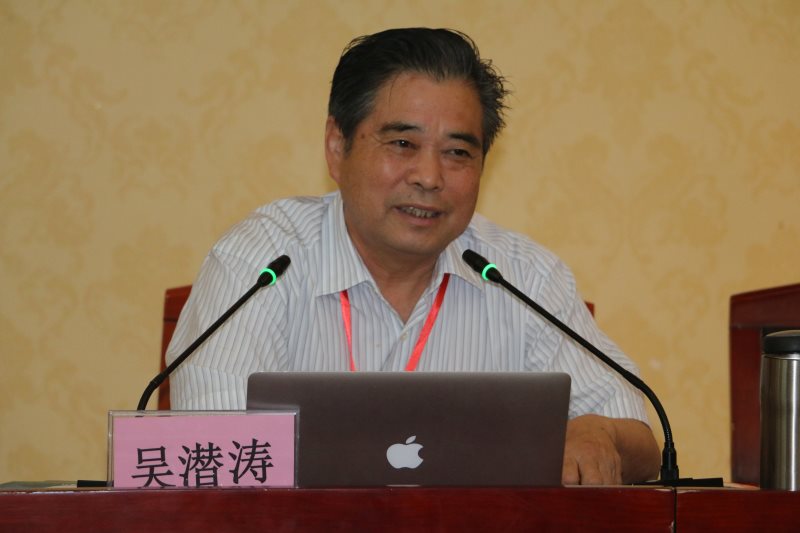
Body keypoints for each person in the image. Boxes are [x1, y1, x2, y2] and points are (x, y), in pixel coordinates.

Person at [167, 27, 661, 485]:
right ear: (337, 146)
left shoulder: (522, 277)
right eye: (403, 143)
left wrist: (600, 432)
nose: (429, 177)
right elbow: (216, 454)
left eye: (457, 153)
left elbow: (640, 437)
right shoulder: (263, 263)